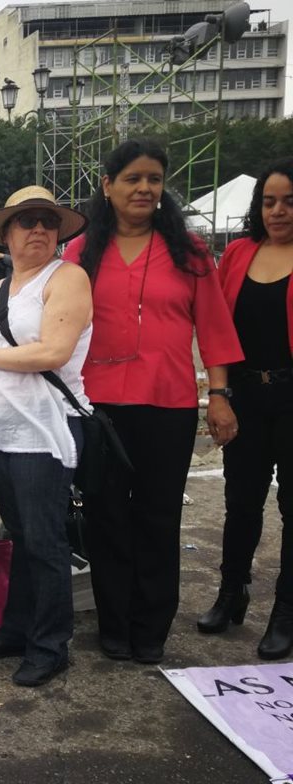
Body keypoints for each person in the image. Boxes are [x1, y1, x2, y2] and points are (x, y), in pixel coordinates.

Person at [62, 139, 243, 664]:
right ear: (108, 186)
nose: (145, 188)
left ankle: (151, 627)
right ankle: (113, 625)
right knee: (105, 517)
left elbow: (213, 328)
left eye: (155, 179)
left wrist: (220, 395)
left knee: (159, 520)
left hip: (169, 404)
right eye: (133, 178)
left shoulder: (189, 253)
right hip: (98, 407)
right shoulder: (80, 253)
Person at [0, 187, 93, 687]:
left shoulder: (69, 278)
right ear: (7, 234)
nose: (37, 229)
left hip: (44, 429)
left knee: (44, 540)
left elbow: (52, 352)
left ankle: (51, 644)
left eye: (46, 221)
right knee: (19, 536)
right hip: (1, 432)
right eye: (26, 221)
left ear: (58, 232)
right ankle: (17, 629)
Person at [202, 159, 293, 660]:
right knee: (241, 503)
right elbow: (216, 326)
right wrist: (221, 395)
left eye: (289, 201)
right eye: (269, 201)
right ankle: (231, 592)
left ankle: (285, 612)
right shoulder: (237, 254)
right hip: (246, 395)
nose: (278, 211)